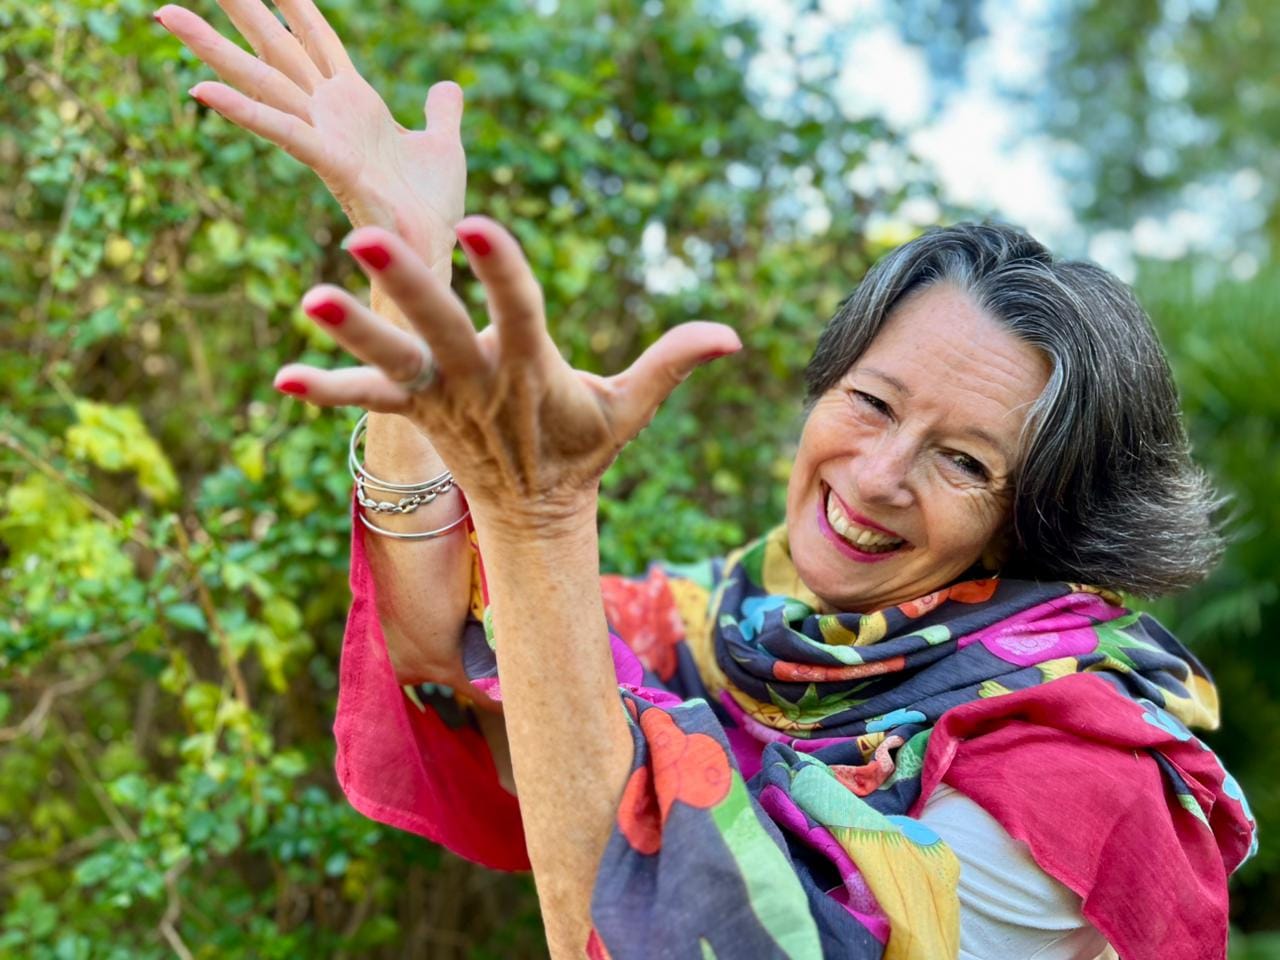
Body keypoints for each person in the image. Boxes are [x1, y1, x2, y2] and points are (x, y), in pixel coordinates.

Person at [157, 3, 1257, 958]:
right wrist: (406, 259)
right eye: (869, 403)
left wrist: (540, 514)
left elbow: (664, 931)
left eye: (962, 461)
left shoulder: (1076, 772)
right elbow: (453, 654)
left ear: (1041, 519)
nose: (874, 476)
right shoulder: (733, 625)